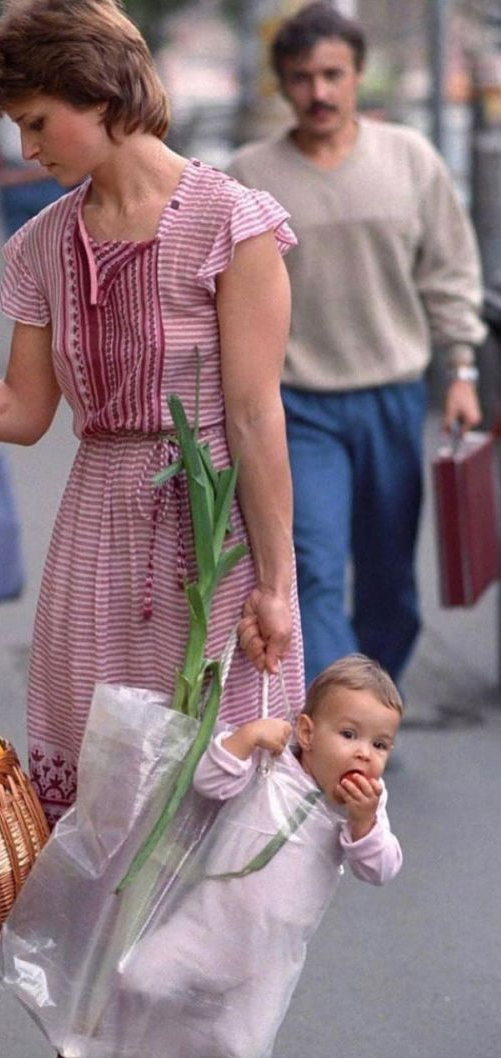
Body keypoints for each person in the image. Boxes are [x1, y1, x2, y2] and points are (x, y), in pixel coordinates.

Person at [0, 3, 305, 1058]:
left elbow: (257, 414)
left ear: (101, 94)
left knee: (199, 817)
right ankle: (90, 1051)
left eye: (37, 124)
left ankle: (147, 1047)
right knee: (96, 823)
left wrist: (275, 582)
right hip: (97, 535)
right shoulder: (40, 242)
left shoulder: (235, 223)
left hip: (211, 546)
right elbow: (20, 407)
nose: (26, 151)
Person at [227, 1, 486, 687]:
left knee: (389, 579)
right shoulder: (249, 174)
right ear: (282, 84)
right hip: (297, 406)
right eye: (303, 76)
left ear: (358, 76)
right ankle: (337, 718)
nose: (319, 92)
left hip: (393, 398)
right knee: (311, 566)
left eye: (333, 74)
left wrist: (461, 370)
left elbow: (450, 272)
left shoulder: (411, 158)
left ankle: (370, 705)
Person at [121, 653, 402, 1058]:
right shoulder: (272, 764)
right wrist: (246, 738)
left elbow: (381, 869)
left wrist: (363, 823)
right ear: (307, 733)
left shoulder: (363, 807)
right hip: (206, 924)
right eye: (349, 735)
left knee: (241, 1049)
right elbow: (209, 782)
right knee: (140, 979)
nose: (364, 754)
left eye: (380, 745)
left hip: (268, 958)